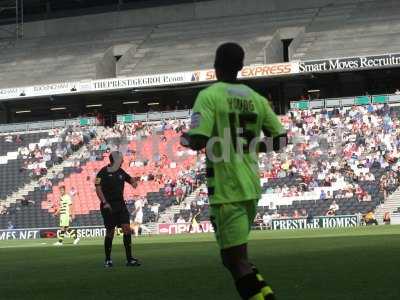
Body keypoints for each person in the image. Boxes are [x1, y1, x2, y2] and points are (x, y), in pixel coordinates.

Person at [181, 43, 286, 300]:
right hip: (251, 185)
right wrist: (250, 144)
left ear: (215, 65)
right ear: (241, 66)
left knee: (234, 261)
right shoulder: (257, 99)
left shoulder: (209, 96)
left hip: (227, 189)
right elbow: (281, 140)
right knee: (238, 259)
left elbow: (198, 139)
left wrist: (185, 139)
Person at [95, 151, 141, 268]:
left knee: (127, 229)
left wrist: (134, 182)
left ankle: (129, 259)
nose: (123, 161)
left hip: (121, 205)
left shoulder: (121, 172)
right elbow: (98, 188)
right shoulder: (103, 172)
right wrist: (104, 202)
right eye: (121, 159)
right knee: (110, 232)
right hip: (108, 206)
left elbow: (131, 180)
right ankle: (108, 259)